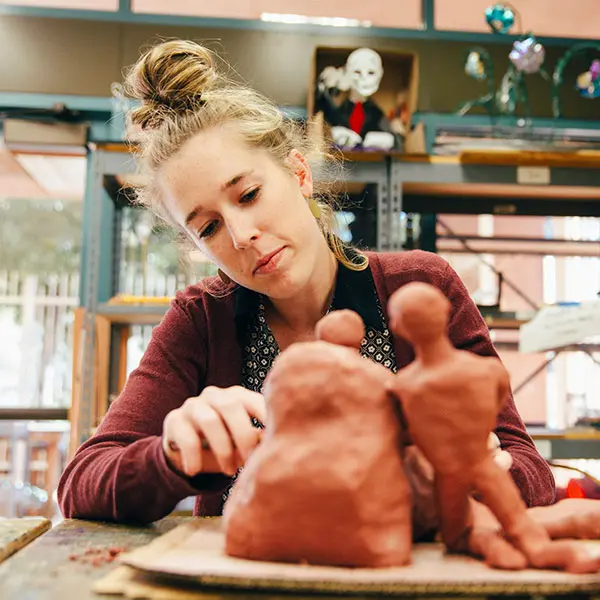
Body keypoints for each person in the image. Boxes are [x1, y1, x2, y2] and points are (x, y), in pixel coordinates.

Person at [57, 39, 555, 526]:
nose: (242, 234)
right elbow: (80, 483)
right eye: (207, 227)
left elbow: (530, 469)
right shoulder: (201, 318)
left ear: (299, 174)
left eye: (249, 194)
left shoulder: (421, 286)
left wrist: (472, 474)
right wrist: (173, 455)